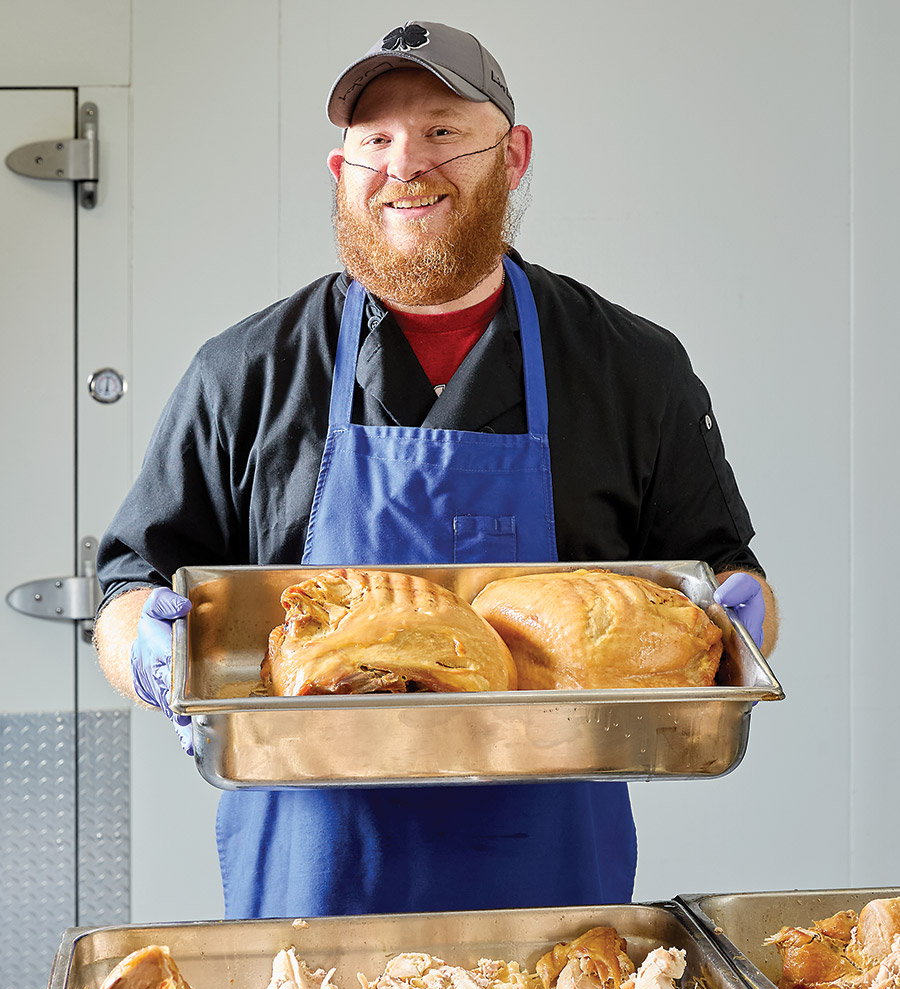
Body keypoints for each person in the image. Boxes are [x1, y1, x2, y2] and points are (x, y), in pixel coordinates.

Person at [94, 20, 777, 919]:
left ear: (513, 154)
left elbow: (724, 571)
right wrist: (147, 649)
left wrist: (743, 623)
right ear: (342, 172)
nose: (405, 164)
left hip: (555, 910)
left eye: (444, 131)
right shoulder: (245, 373)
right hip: (313, 898)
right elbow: (126, 591)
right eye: (374, 140)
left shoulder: (630, 368)